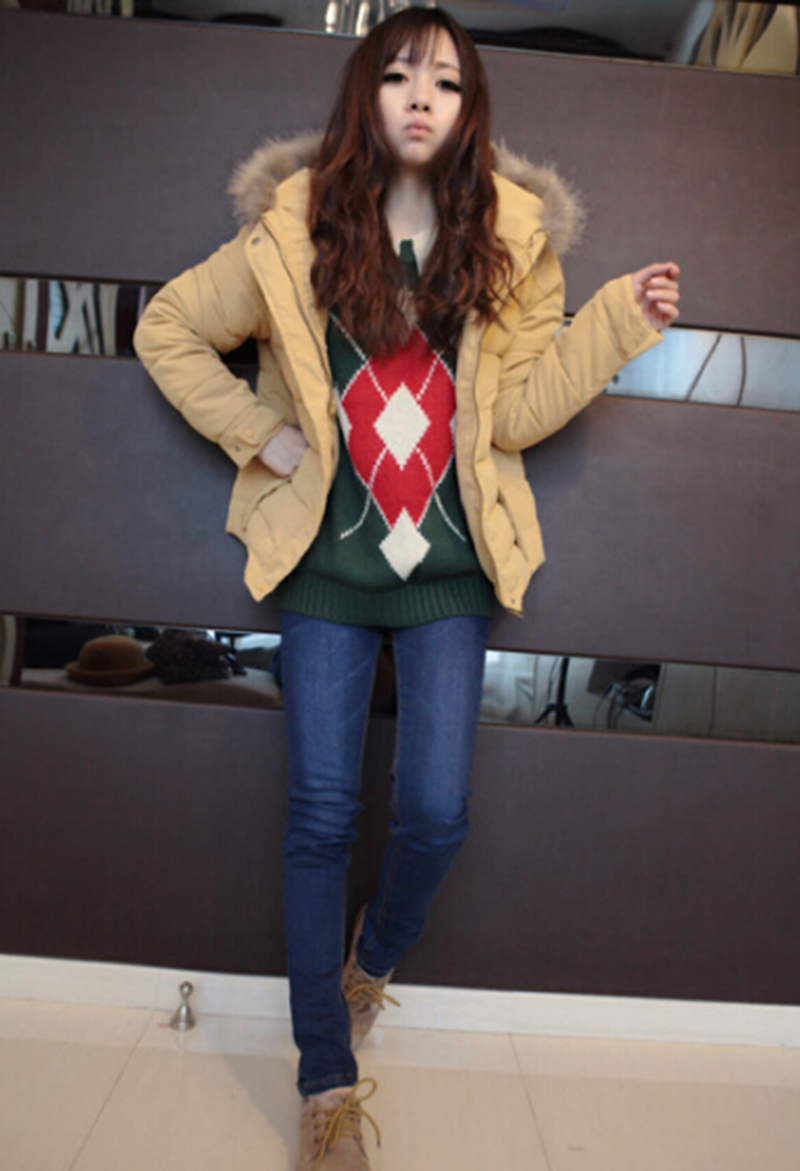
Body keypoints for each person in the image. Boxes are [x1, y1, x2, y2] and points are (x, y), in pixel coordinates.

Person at [134, 8, 680, 1169]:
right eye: (395, 76)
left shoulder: (510, 247)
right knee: (319, 815)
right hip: (324, 575)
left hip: (447, 575)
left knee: (434, 812)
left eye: (443, 81)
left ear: (469, 109)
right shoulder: (293, 233)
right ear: (364, 96)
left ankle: (369, 961)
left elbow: (517, 414)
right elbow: (168, 328)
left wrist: (613, 326)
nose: (419, 97)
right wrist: (259, 435)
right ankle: (324, 1082)